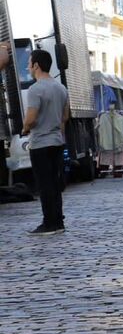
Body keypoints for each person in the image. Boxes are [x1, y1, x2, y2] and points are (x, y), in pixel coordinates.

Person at [23, 49, 70, 236]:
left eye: (29, 62)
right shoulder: (61, 88)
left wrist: (25, 128)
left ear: (36, 65)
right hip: (57, 141)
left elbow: (31, 118)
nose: (28, 66)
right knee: (55, 183)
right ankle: (58, 220)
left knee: (44, 185)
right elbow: (65, 117)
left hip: (40, 143)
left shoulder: (35, 89)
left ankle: (48, 223)